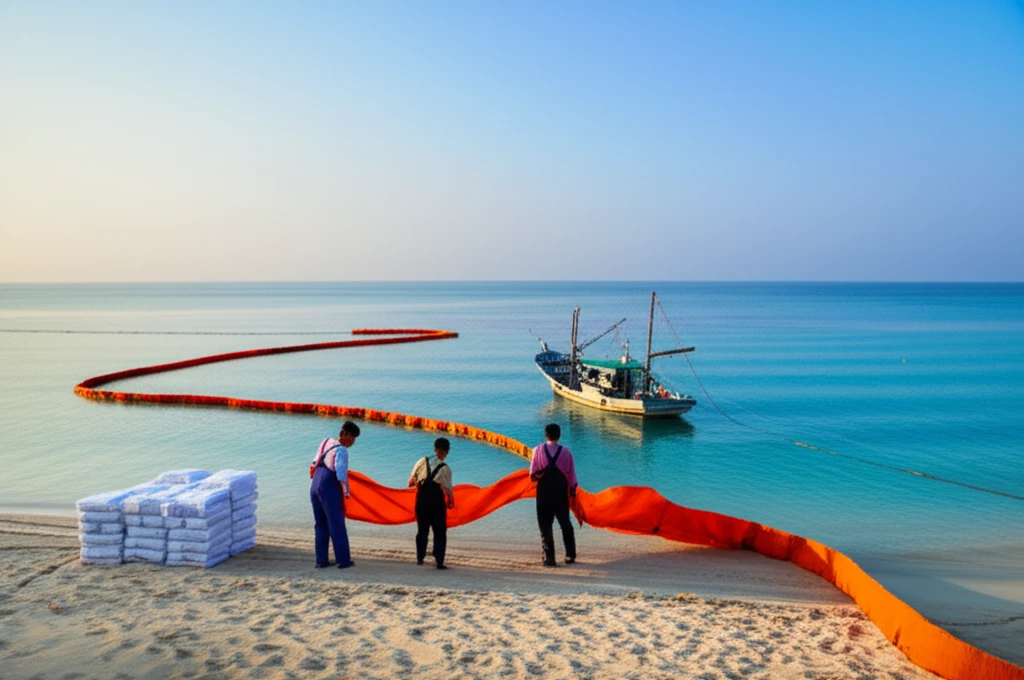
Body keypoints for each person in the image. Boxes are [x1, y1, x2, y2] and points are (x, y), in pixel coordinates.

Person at [310, 421, 360, 569]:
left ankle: (321, 561)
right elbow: (340, 474)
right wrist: (347, 492)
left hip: (315, 485)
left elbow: (314, 462)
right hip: (328, 486)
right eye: (352, 437)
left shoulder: (326, 442)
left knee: (320, 524)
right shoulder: (342, 450)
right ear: (344, 434)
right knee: (337, 524)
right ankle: (343, 561)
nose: (352, 442)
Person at [529, 423, 578, 567]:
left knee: (545, 525)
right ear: (559, 435)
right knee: (565, 523)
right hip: (560, 493)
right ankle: (570, 555)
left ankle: (549, 558)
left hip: (544, 493)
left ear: (546, 435)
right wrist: (573, 492)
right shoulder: (566, 453)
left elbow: (532, 476)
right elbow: (572, 477)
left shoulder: (537, 450)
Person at [408, 438, 455, 570]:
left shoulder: (422, 461)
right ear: (447, 452)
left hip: (422, 499)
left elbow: (411, 482)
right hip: (436, 501)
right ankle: (439, 561)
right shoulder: (445, 469)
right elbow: (448, 491)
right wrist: (451, 502)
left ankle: (420, 558)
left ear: (434, 449)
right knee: (440, 531)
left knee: (422, 530)